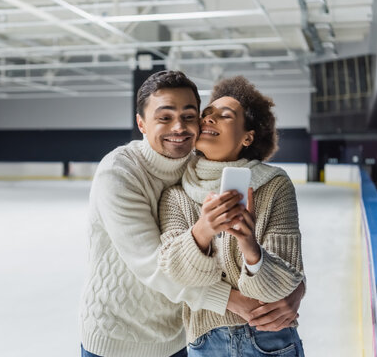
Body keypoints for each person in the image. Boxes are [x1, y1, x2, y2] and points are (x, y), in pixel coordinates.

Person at [80, 71, 304, 357]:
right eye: (164, 118)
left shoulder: (196, 166)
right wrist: (232, 301)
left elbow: (280, 254)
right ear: (141, 123)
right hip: (120, 339)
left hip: (181, 338)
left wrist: (294, 287)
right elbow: (154, 265)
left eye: (189, 116)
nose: (179, 127)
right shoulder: (120, 172)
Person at [158, 75, 306, 356]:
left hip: (270, 340)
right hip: (204, 342)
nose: (208, 120)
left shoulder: (274, 185)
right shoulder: (175, 194)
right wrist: (203, 229)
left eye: (224, 116)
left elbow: (285, 285)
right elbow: (175, 273)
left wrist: (250, 246)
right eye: (206, 115)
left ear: (248, 136)